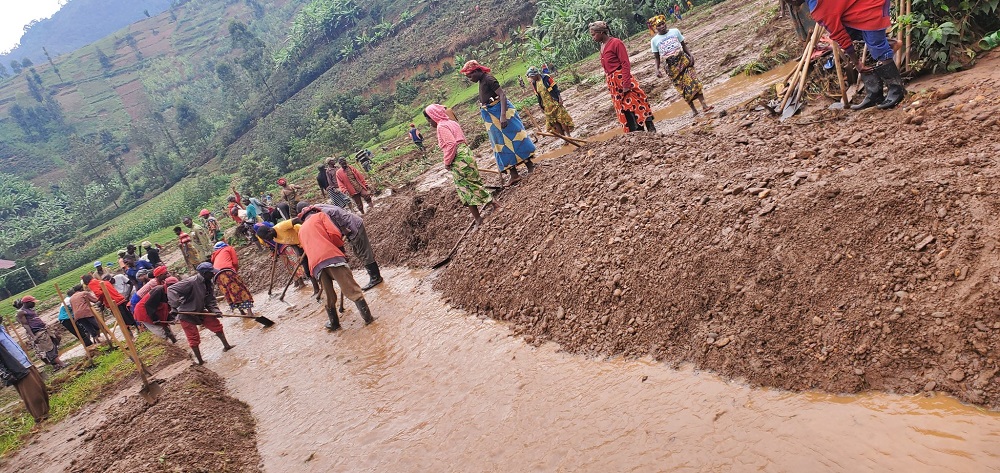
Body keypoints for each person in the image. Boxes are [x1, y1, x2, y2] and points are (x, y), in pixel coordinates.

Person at [797, 0, 905, 110]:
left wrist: (856, 63)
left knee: (877, 46)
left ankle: (896, 90)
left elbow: (839, 35)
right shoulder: (816, 4)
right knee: (859, 39)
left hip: (871, 5)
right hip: (856, 9)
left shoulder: (819, 9)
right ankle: (874, 93)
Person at [296, 206, 375, 331]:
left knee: (328, 295)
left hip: (315, 265)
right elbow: (334, 234)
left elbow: (305, 249)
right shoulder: (320, 216)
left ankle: (334, 323)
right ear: (314, 211)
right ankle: (368, 318)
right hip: (332, 257)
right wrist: (340, 249)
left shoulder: (301, 230)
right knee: (351, 289)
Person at [460, 60, 537, 184]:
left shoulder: (488, 79)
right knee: (501, 144)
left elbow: (502, 95)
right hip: (492, 116)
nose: (470, 79)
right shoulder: (482, 81)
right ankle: (514, 174)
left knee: (516, 138)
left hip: (500, 112)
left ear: (477, 71)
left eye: (470, 76)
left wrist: (503, 116)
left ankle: (530, 165)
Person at [423, 104, 498, 226]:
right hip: (466, 154)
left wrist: (447, 162)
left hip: (459, 158)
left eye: (429, 119)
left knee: (466, 188)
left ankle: (489, 208)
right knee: (472, 183)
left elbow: (451, 144)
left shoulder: (441, 126)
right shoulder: (452, 123)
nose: (429, 123)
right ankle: (479, 217)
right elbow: (463, 139)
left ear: (434, 116)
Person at [589, 21, 657, 133]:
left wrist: (626, 84)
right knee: (624, 107)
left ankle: (649, 126)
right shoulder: (602, 46)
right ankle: (637, 131)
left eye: (593, 35)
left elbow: (625, 63)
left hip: (622, 79)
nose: (593, 38)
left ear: (601, 32)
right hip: (613, 83)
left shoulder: (616, 43)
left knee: (636, 102)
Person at [305, 202, 384, 290]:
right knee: (358, 253)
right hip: (350, 226)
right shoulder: (317, 208)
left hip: (353, 226)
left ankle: (376, 278)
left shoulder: (322, 212)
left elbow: (334, 212)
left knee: (364, 253)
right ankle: (374, 276)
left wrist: (343, 228)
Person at [167, 262, 235, 365]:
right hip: (186, 314)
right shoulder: (191, 282)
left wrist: (215, 311)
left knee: (216, 325)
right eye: (211, 272)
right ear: (204, 273)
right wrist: (174, 305)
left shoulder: (208, 282)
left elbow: (210, 299)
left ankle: (226, 346)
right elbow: (171, 289)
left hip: (199, 310)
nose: (213, 274)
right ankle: (200, 361)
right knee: (193, 338)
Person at [650, 15, 713, 117]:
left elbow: (683, 45)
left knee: (694, 81)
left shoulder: (675, 31)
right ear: (655, 28)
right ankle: (694, 110)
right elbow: (657, 57)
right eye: (659, 25)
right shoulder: (654, 41)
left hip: (683, 60)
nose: (662, 26)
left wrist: (691, 55)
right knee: (682, 87)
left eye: (663, 23)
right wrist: (656, 69)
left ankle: (704, 105)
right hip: (671, 67)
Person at [0, 324, 49, 422]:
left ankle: (45, 414)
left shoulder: (2, 329)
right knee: (33, 394)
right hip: (16, 368)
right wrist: (5, 373)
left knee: (41, 388)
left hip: (25, 363)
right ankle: (41, 418)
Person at [14, 297, 65, 370]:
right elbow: (25, 325)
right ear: (26, 303)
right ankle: (60, 363)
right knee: (47, 349)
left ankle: (55, 362)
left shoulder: (29, 309)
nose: (34, 303)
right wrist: (33, 336)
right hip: (37, 332)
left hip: (43, 329)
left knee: (56, 340)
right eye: (32, 302)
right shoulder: (21, 312)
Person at [210, 241, 257, 316]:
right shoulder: (229, 248)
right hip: (227, 272)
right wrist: (235, 271)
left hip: (217, 277)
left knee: (230, 293)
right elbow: (235, 262)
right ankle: (249, 313)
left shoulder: (214, 255)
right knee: (240, 290)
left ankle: (242, 312)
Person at [526, 66, 575, 137]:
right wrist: (541, 106)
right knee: (554, 122)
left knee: (562, 119)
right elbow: (538, 96)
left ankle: (568, 135)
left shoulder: (546, 77)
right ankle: (564, 137)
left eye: (532, 76)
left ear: (536, 74)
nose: (532, 78)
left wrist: (559, 98)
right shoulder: (534, 83)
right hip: (546, 106)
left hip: (554, 102)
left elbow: (555, 88)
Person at [134, 276, 179, 343]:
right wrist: (155, 319)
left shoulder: (167, 292)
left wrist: (170, 318)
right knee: (161, 332)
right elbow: (149, 305)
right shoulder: (158, 290)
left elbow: (167, 307)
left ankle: (175, 343)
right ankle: (167, 345)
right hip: (144, 312)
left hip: (154, 310)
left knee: (166, 328)